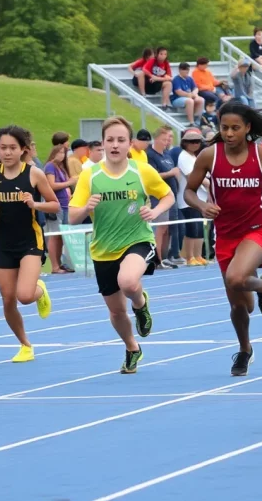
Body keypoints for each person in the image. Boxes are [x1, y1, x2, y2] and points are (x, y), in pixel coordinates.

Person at [184, 100, 262, 377]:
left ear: (247, 128)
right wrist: (202, 206)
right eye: (225, 128)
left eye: (236, 128)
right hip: (225, 234)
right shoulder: (209, 156)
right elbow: (189, 191)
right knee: (240, 305)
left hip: (257, 230)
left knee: (235, 278)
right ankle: (245, 348)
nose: (230, 133)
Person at [69, 116, 174, 374]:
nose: (115, 145)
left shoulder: (141, 170)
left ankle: (140, 303)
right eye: (110, 140)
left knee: (128, 281)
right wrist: (86, 207)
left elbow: (168, 195)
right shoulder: (90, 174)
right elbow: (72, 217)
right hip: (103, 249)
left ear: (130, 144)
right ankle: (132, 348)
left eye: (121, 140)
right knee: (116, 313)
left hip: (137, 239)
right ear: (103, 144)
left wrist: (156, 210)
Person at [0, 125, 60, 363]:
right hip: (4, 243)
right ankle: (25, 344)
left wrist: (35, 205)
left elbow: (55, 205)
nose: (7, 153)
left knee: (25, 296)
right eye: (3, 148)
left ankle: (40, 292)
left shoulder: (34, 174)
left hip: (30, 241)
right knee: (8, 299)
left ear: (23, 150)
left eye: (12, 148)